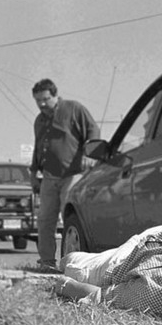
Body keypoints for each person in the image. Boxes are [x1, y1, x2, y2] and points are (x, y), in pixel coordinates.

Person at [29, 78, 101, 269]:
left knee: (69, 217)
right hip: (49, 176)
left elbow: (93, 130)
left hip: (73, 174)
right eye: (38, 101)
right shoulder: (39, 120)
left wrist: (90, 153)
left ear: (55, 95)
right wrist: (33, 172)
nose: (42, 104)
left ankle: (75, 263)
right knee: (44, 220)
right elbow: (38, 147)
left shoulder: (74, 109)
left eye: (45, 99)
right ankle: (46, 261)